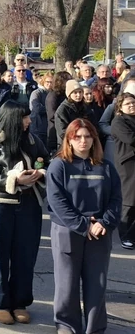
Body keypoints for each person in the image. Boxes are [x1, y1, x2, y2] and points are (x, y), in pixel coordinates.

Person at [0, 100, 50, 326]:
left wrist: (39, 173)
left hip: (29, 203)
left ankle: (20, 302)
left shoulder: (32, 139)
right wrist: (14, 179)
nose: (29, 121)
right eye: (25, 117)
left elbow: (44, 161)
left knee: (25, 255)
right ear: (13, 118)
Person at [48, 118, 122, 334]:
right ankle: (67, 325)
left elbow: (116, 200)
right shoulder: (59, 165)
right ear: (69, 140)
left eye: (87, 136)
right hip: (67, 231)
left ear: (94, 139)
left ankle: (95, 328)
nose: (83, 141)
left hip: (99, 232)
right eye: (77, 136)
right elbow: (56, 201)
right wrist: (83, 224)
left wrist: (103, 222)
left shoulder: (106, 166)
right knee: (67, 285)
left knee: (96, 285)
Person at [110, 92, 135, 249]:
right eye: (128, 104)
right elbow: (131, 139)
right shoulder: (118, 122)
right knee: (129, 201)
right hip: (128, 165)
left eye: (133, 103)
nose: (132, 106)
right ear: (120, 107)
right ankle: (125, 235)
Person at [55, 80, 92, 145]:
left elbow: (93, 124)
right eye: (75, 93)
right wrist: (76, 140)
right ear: (69, 94)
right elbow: (62, 131)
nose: (78, 95)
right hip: (68, 144)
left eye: (80, 92)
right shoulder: (62, 109)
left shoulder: (85, 107)